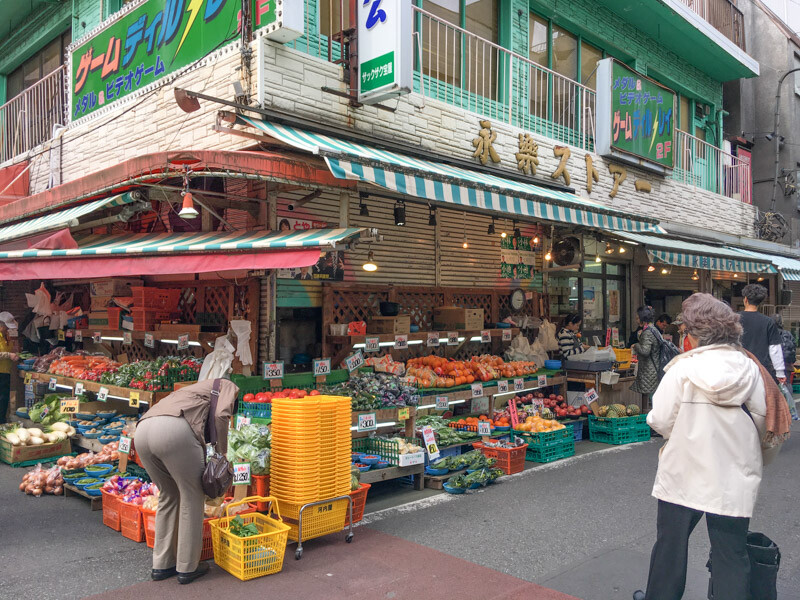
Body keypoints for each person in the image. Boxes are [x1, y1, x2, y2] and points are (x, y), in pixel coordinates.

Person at [633, 293, 768, 600]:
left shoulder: (683, 369)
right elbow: (763, 422)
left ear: (694, 335)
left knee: (671, 544)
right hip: (734, 473)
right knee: (731, 553)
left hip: (685, 470)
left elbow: (660, 420)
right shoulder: (749, 368)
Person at [134, 379, 239, 584]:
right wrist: (222, 453)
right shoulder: (226, 384)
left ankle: (162, 564)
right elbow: (220, 415)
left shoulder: (190, 390)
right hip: (174, 431)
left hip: (142, 431)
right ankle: (188, 566)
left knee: (168, 494)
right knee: (192, 496)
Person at [738, 284, 785, 382]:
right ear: (760, 302)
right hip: (762, 369)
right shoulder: (768, 322)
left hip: (738, 367)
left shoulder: (734, 319)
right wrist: (780, 372)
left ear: (745, 299)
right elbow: (775, 349)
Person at [631, 306, 661, 406]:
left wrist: (636, 345)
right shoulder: (654, 330)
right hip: (654, 369)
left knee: (647, 401)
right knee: (651, 399)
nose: (636, 320)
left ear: (643, 318)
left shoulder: (647, 332)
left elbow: (645, 351)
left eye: (637, 318)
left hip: (648, 371)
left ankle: (646, 419)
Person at [771, 313, 798, 420]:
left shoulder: (769, 333)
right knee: (786, 386)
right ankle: (788, 411)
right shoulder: (787, 333)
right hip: (787, 366)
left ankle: (775, 412)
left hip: (772, 366)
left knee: (772, 388)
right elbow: (793, 349)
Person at [0, 312, 19, 424]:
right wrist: (8, 355)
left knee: (4, 399)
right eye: (6, 326)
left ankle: (2, 422)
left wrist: (14, 352)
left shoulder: (6, 336)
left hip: (5, 372)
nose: (7, 329)